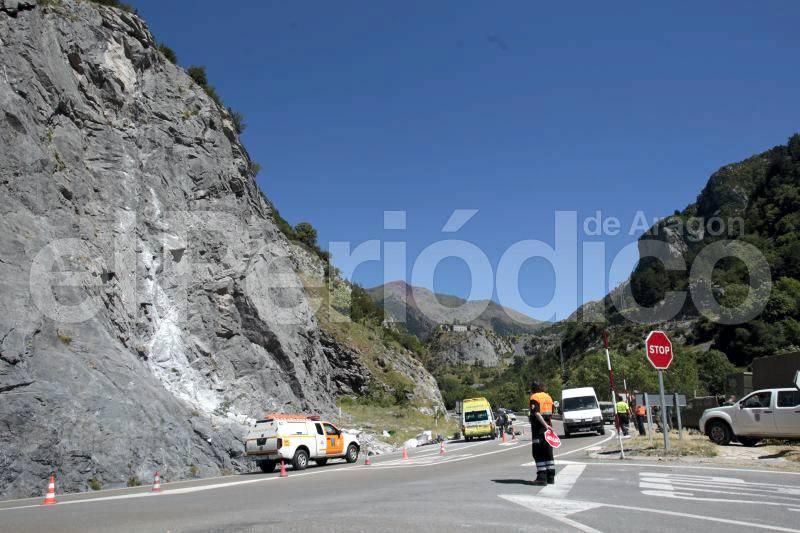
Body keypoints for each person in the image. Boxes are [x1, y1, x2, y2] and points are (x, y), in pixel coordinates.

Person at [529, 381, 555, 485]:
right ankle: (551, 476)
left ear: (534, 388)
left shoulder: (534, 397)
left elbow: (537, 413)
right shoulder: (549, 397)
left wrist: (544, 425)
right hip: (548, 429)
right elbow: (551, 413)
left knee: (538, 453)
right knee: (548, 452)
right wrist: (548, 426)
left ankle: (542, 477)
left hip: (539, 429)